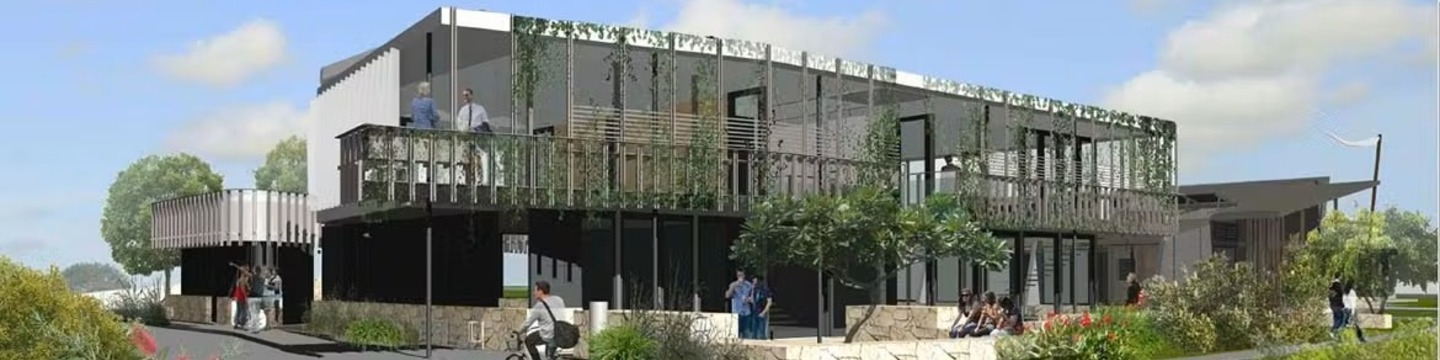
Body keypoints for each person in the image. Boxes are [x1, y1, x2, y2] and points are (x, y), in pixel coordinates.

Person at [518, 280, 567, 360]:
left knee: (529, 340)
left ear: (540, 291)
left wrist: (518, 331)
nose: (534, 293)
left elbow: (527, 323)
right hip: (561, 333)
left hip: (549, 334)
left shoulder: (539, 306)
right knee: (550, 354)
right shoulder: (559, 299)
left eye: (535, 290)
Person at [725, 269, 754, 338]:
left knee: (746, 332)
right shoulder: (733, 284)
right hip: (736, 312)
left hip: (746, 312)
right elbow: (727, 295)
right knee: (736, 333)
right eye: (738, 275)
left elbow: (752, 297)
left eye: (742, 275)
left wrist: (749, 299)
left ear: (744, 275)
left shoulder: (749, 285)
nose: (740, 277)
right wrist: (733, 287)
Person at [227, 263, 252, 330]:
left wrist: (234, 265)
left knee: (239, 310)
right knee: (243, 310)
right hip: (242, 297)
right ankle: (242, 323)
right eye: (246, 270)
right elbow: (243, 289)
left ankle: (236, 323)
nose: (248, 272)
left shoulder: (239, 280)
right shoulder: (242, 280)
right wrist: (246, 297)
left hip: (238, 296)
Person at [749, 276, 773, 340]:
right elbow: (752, 300)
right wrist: (752, 291)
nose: (754, 284)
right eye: (753, 282)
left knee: (762, 330)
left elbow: (769, 302)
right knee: (754, 331)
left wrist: (764, 312)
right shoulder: (754, 290)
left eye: (755, 282)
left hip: (762, 311)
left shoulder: (765, 290)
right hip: (754, 311)